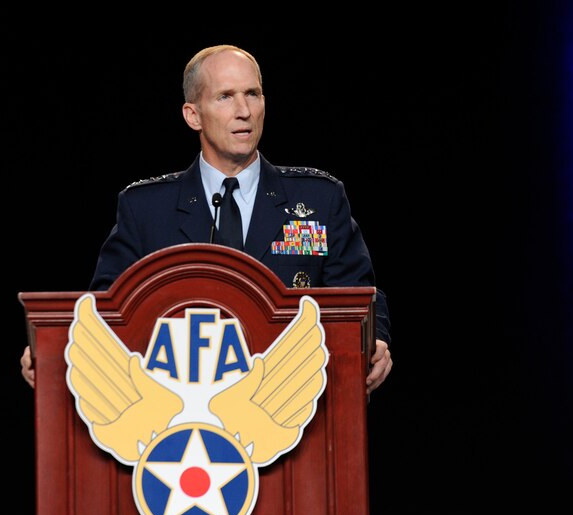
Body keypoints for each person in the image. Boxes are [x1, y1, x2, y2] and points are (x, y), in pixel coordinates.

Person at [20, 44, 392, 394]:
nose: (244, 111)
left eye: (253, 94)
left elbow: (359, 296)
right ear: (193, 115)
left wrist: (376, 338)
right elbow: (104, 313)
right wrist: (57, 353)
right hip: (181, 414)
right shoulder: (146, 209)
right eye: (225, 96)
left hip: (292, 400)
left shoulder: (318, 198)